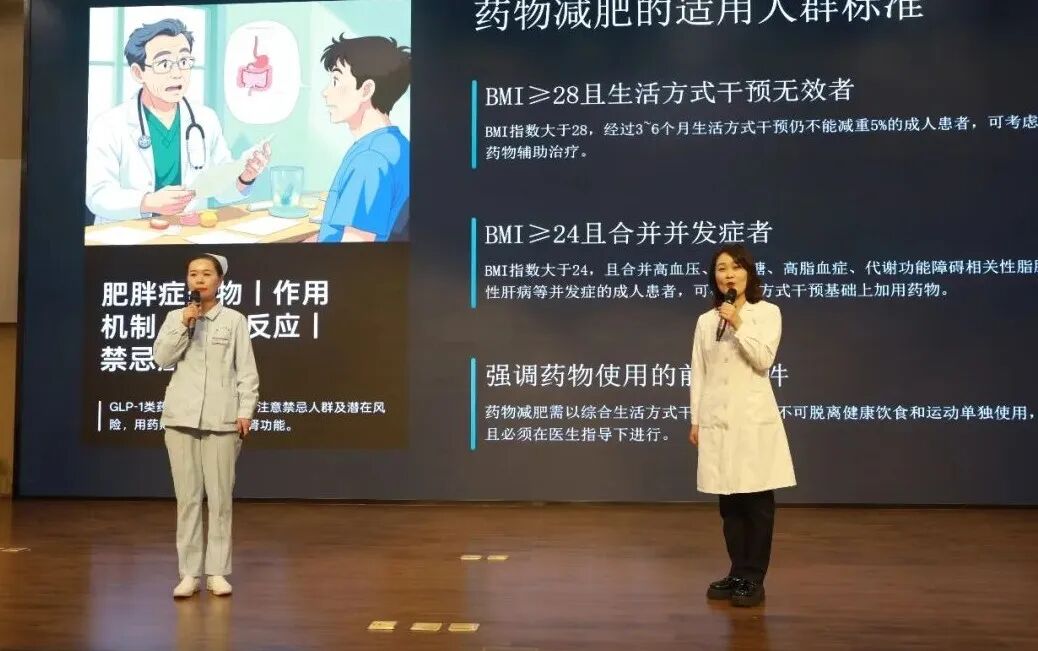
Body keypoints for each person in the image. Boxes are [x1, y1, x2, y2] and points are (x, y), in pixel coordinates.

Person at [689, 244, 796, 607]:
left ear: (748, 274)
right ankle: (737, 571)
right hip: (718, 421)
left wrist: (738, 322)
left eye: (735, 267)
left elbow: (763, 359)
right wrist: (696, 418)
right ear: (714, 277)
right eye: (721, 268)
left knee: (756, 502)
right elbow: (699, 372)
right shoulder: (706, 321)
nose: (728, 274)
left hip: (752, 422)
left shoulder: (767, 313)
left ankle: (754, 577)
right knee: (729, 503)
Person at [85, 18, 271, 224]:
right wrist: (147, 202)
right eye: (164, 64)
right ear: (138, 73)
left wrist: (245, 176)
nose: (177, 74)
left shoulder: (205, 119)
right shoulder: (108, 125)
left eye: (183, 62)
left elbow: (221, 190)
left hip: (185, 232)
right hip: (125, 236)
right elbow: (97, 195)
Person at [152, 253, 259, 598]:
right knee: (188, 500)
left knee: (220, 499)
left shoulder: (234, 320)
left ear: (220, 280)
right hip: (180, 418)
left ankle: (217, 572)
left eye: (206, 274)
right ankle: (189, 573)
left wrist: (245, 411)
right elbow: (161, 358)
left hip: (222, 419)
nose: (199, 279)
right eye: (193, 274)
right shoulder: (176, 317)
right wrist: (184, 325)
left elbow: (246, 371)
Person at [316, 34, 411, 243]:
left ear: (366, 90)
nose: (325, 92)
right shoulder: (398, 145)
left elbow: (355, 251)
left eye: (335, 81)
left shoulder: (370, 159)